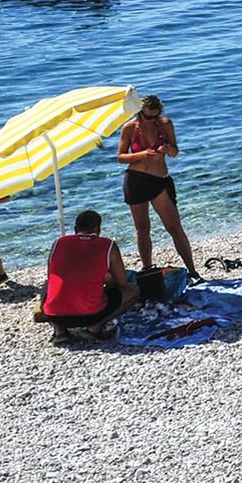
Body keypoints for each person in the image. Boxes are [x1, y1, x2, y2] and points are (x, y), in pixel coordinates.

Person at [117, 95, 200, 281]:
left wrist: (167, 149)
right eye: (148, 116)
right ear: (140, 112)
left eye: (156, 116)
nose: (152, 120)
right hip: (136, 180)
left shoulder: (164, 124)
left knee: (174, 227)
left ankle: (192, 271)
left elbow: (175, 152)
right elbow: (121, 157)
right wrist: (142, 155)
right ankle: (147, 269)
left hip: (159, 180)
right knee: (142, 229)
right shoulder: (129, 128)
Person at [38, 210, 138, 342]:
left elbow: (53, 276)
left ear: (75, 229)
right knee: (132, 291)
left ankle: (60, 331)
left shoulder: (58, 243)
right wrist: (107, 279)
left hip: (55, 315)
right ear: (98, 229)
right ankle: (94, 329)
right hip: (91, 315)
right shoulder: (108, 245)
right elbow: (122, 283)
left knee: (48, 283)